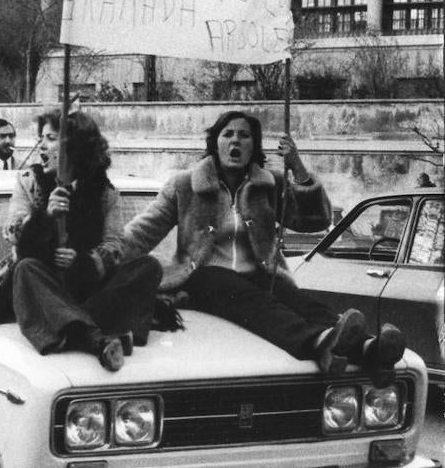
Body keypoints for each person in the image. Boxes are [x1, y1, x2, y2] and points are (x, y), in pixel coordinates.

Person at [118, 110, 406, 376]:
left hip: (259, 278)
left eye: (244, 136)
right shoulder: (184, 185)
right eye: (227, 134)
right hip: (203, 281)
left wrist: (298, 168)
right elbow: (142, 233)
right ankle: (319, 342)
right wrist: (102, 260)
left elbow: (315, 221)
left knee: (298, 300)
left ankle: (368, 348)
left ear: (253, 147)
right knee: (232, 287)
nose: (235, 141)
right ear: (215, 142)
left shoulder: (269, 185)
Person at [0, 111, 162, 372]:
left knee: (148, 267)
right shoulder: (30, 182)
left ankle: (71, 324)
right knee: (25, 268)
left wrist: (83, 262)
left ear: (75, 147)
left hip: (87, 288)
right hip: (43, 283)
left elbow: (115, 246)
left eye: (51, 138)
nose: (40, 145)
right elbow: (13, 232)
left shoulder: (105, 193)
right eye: (41, 138)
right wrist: (45, 216)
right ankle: (92, 337)